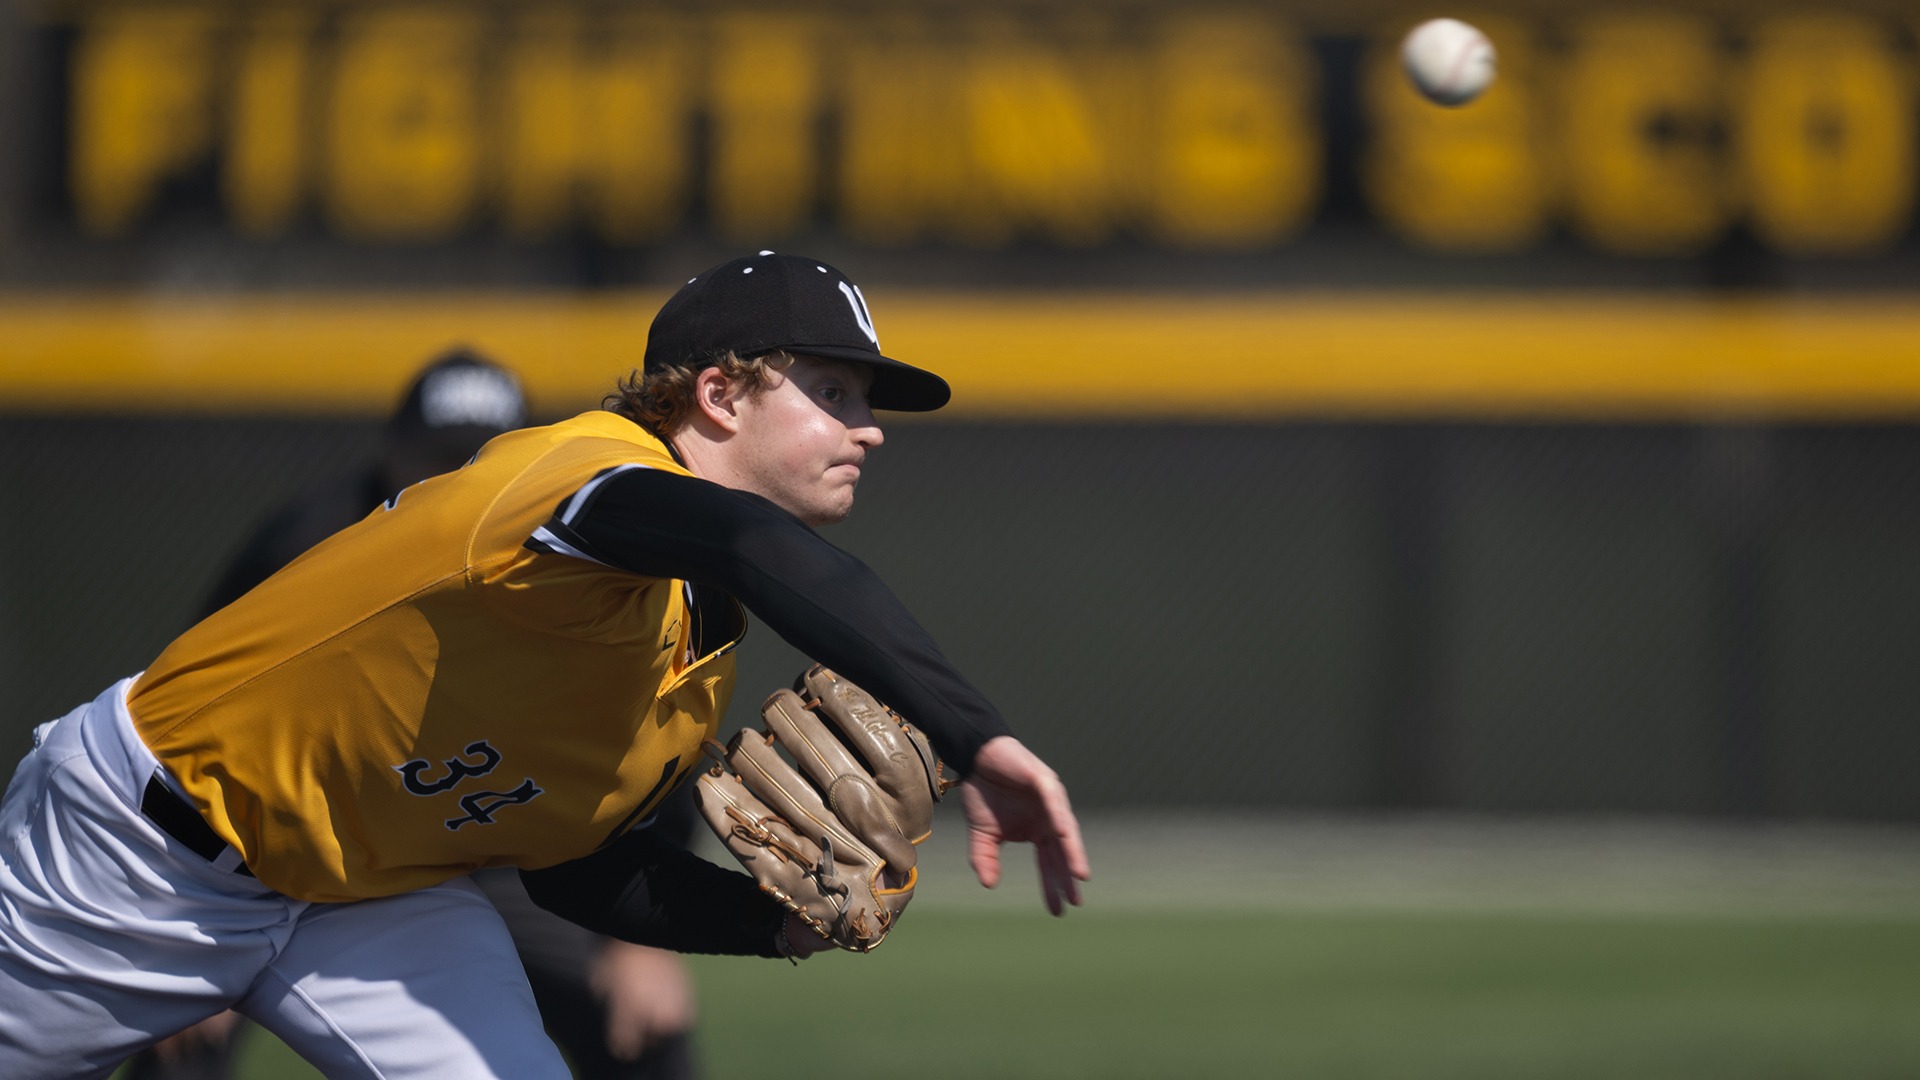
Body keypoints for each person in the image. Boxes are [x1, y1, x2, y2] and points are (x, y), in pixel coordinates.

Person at [0, 252, 1091, 1080]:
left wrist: (769, 925)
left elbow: (571, 864)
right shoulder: (574, 475)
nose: (871, 431)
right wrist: (975, 736)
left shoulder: (689, 648)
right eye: (837, 396)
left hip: (371, 894)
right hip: (137, 855)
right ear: (720, 395)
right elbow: (756, 547)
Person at [122, 348, 707, 1080]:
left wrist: (637, 941)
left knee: (643, 1026)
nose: (449, 477)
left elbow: (652, 731)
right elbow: (189, 739)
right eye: (433, 456)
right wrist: (182, 928)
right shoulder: (311, 543)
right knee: (175, 1028)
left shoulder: (571, 552)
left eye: (474, 458)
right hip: (301, 843)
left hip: (491, 844)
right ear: (391, 454)